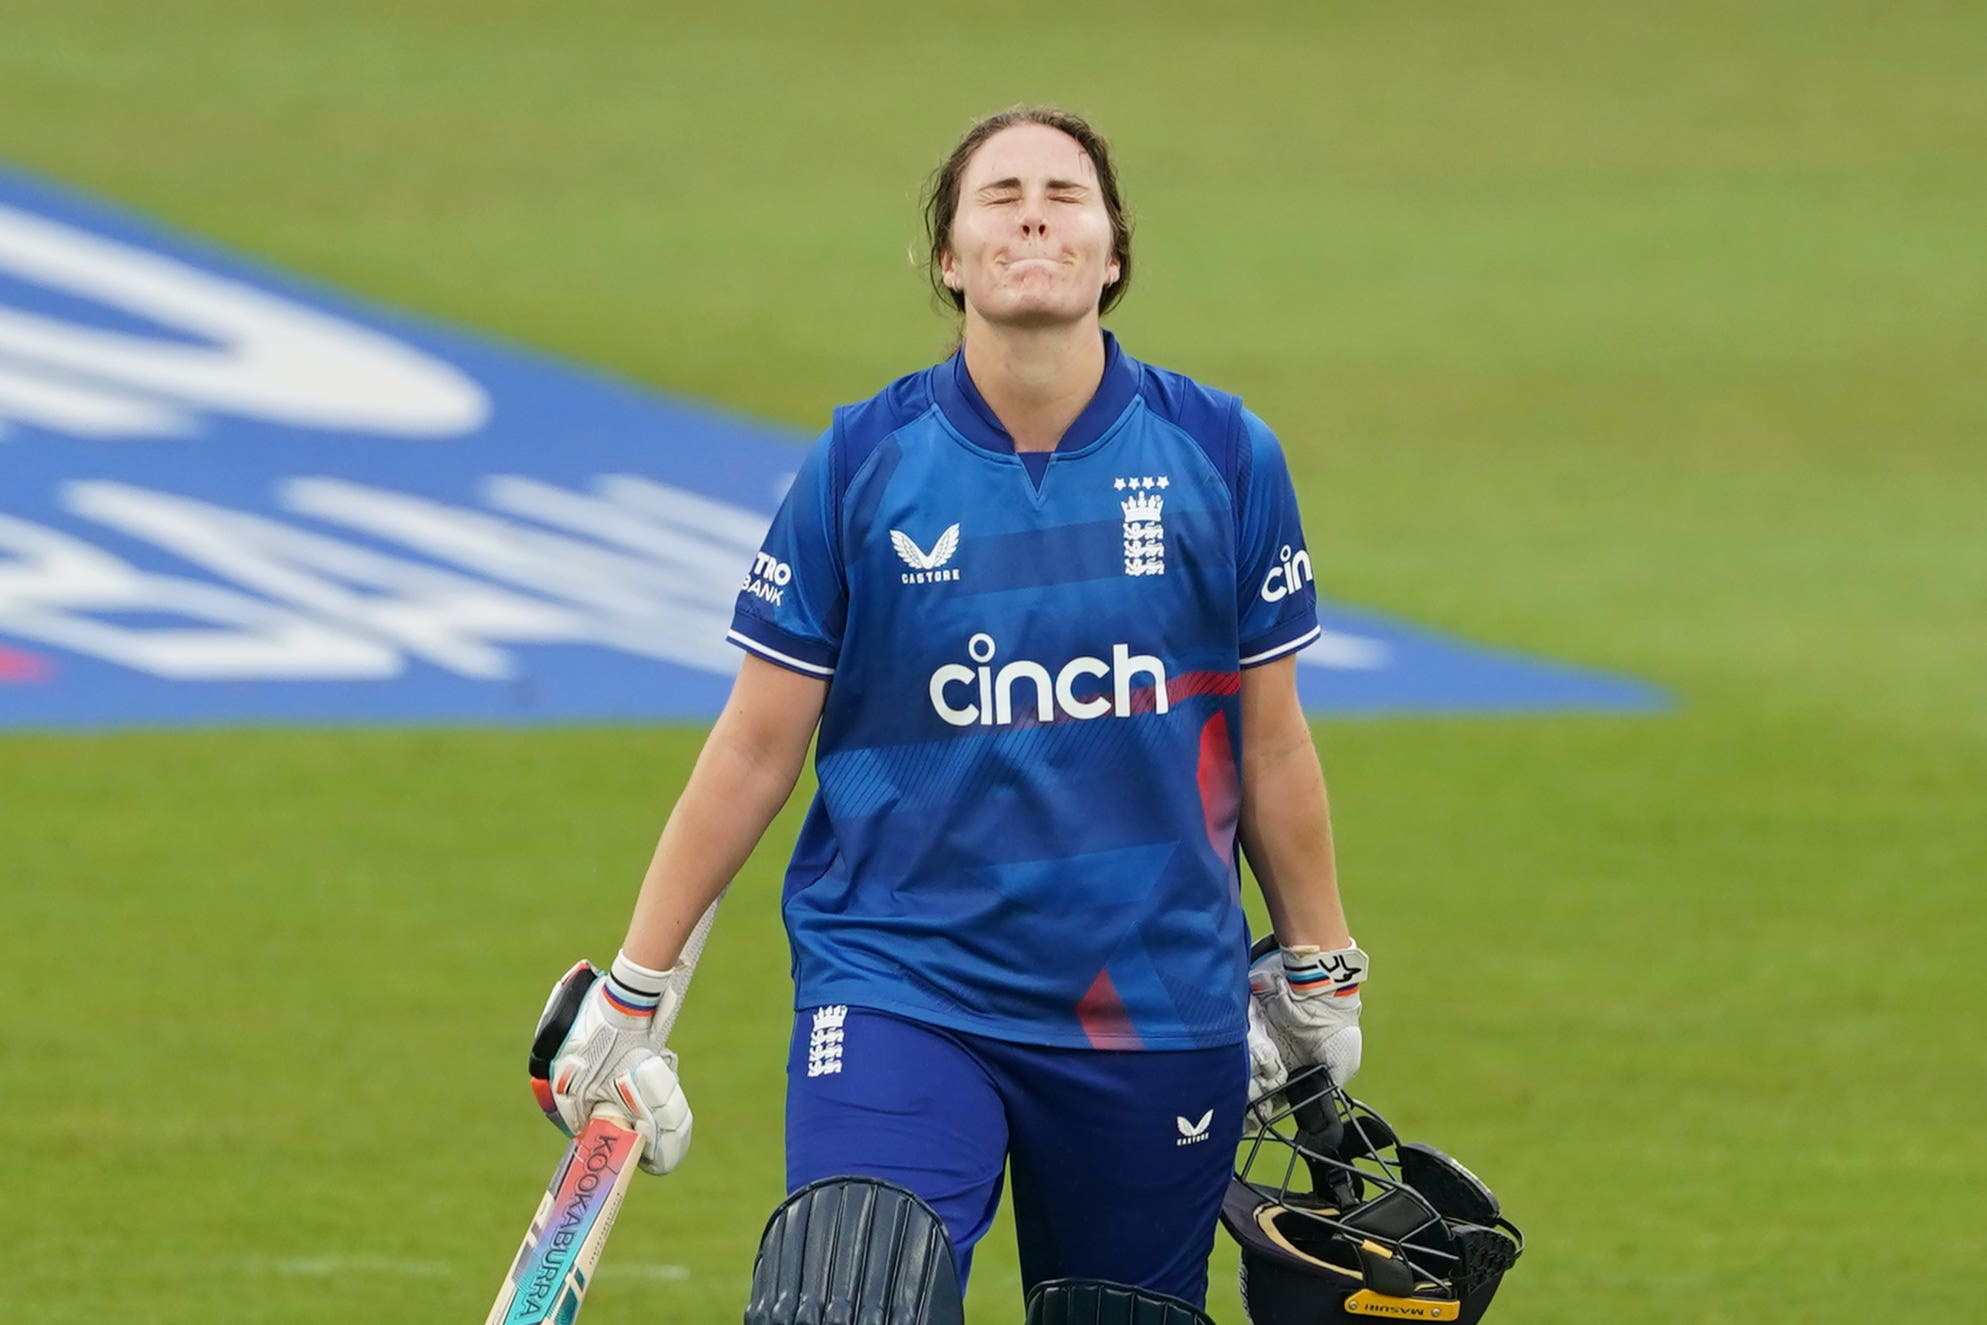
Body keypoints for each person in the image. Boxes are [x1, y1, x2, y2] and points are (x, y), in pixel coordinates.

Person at [528, 105, 1369, 1313]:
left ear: (1112, 252)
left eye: (1064, 193)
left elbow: (1271, 740)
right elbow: (758, 745)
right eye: (1000, 194)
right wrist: (635, 984)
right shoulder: (861, 463)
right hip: (902, 984)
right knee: (847, 1294)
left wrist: (1318, 963)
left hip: (1151, 1002)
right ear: (950, 256)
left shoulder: (1224, 457)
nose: (1033, 211)